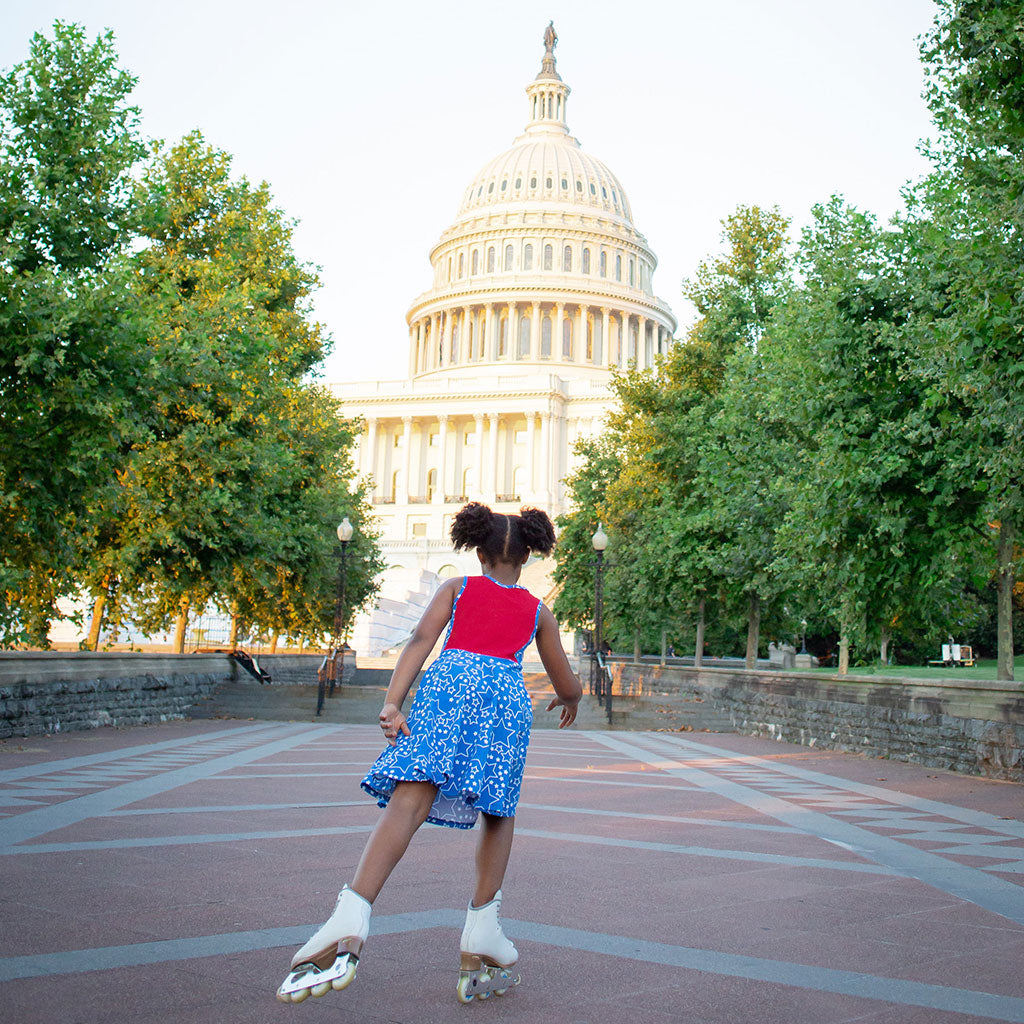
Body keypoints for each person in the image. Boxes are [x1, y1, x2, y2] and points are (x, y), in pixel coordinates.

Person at [277, 502, 583, 1005]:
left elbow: (421, 640)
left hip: (449, 688)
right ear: (526, 557)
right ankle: (483, 925)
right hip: (504, 702)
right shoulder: (537, 611)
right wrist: (570, 699)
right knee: (497, 809)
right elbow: (565, 678)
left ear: (478, 552)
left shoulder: (457, 589)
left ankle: (350, 914)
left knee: (411, 796)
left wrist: (393, 703)